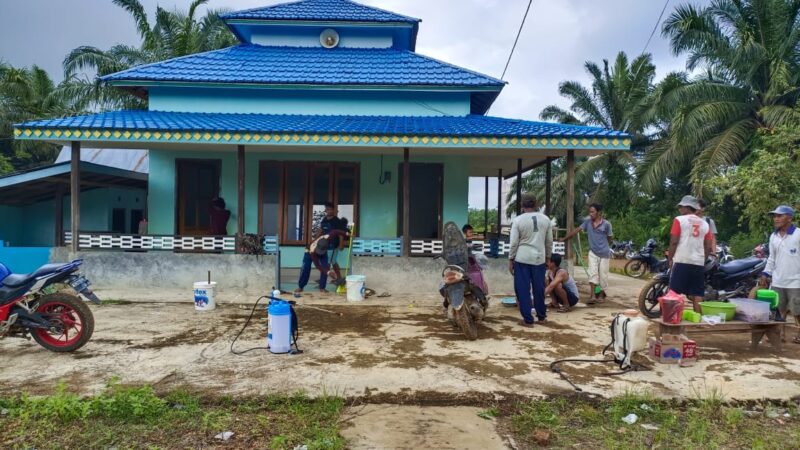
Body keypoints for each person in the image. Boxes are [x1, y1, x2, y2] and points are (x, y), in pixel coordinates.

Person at [508, 193, 553, 327]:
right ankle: (541, 316)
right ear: (536, 205)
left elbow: (514, 243)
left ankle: (528, 319)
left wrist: (511, 259)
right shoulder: (545, 220)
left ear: (522, 205)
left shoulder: (518, 220)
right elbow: (549, 241)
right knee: (539, 288)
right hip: (539, 259)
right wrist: (548, 257)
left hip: (522, 259)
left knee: (522, 289)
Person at [760, 206, 800, 344]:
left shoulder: (798, 234)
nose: (776, 219)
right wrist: (766, 273)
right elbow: (772, 257)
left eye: (779, 216)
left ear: (789, 217)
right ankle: (780, 334)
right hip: (778, 279)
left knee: (797, 310)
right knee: (779, 310)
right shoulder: (773, 236)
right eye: (775, 216)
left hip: (796, 280)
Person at [667, 195, 713, 313]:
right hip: (698, 262)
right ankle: (698, 319)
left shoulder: (679, 220)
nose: (680, 209)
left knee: (674, 291)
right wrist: (703, 260)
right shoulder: (705, 224)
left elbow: (674, 242)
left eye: (681, 207)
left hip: (682, 260)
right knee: (697, 293)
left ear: (687, 207)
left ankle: (672, 318)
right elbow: (708, 246)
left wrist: (670, 259)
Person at [559, 203, 613, 303]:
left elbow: (610, 238)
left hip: (604, 253)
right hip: (593, 252)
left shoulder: (607, 224)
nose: (590, 214)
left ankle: (601, 294)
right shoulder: (588, 223)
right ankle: (592, 295)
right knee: (593, 274)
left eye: (592, 212)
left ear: (598, 213)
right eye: (590, 212)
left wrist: (606, 246)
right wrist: (564, 238)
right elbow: (576, 231)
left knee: (603, 276)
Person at [295, 227, 349, 294]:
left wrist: (346, 233)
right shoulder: (312, 251)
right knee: (306, 268)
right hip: (308, 253)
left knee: (326, 266)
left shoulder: (327, 237)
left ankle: (322, 287)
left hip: (323, 253)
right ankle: (301, 286)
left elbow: (335, 230)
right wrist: (328, 273)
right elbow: (318, 266)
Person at [320, 203, 347, 283]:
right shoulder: (324, 219)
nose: (326, 211)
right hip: (325, 244)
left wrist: (341, 244)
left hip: (333, 244)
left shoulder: (337, 221)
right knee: (332, 261)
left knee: (329, 261)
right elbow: (321, 230)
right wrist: (315, 241)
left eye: (328, 209)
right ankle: (338, 278)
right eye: (326, 209)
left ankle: (324, 280)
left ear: (333, 210)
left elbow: (340, 234)